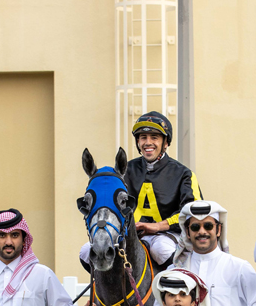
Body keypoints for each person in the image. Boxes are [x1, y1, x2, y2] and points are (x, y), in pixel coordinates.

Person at [80, 111, 202, 267]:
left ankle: (180, 289)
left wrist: (158, 226)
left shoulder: (184, 174)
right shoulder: (123, 171)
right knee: (85, 252)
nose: (148, 142)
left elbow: (193, 214)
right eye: (143, 138)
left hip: (166, 235)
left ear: (165, 143)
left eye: (154, 137)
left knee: (160, 249)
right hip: (128, 236)